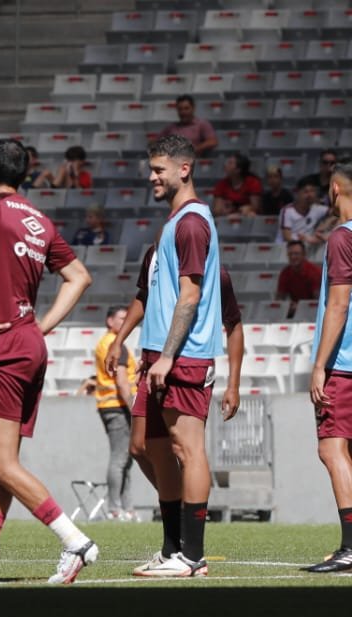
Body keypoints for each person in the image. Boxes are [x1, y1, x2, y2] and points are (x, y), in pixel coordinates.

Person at [0, 138, 96, 585]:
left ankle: (76, 542)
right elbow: (79, 276)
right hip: (30, 343)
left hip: (3, 345)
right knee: (2, 463)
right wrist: (42, 326)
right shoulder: (38, 218)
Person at [106, 251, 244, 574]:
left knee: (187, 448)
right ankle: (175, 541)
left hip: (188, 363)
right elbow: (143, 296)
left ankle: (189, 550)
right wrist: (121, 339)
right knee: (143, 447)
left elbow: (234, 325)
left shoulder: (213, 271)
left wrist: (234, 384)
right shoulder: (152, 258)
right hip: (153, 364)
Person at [125, 135, 224, 578]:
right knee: (152, 448)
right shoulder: (176, 221)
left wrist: (167, 355)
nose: (152, 177)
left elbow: (190, 296)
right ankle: (171, 550)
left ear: (184, 169)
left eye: (159, 169)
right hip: (159, 356)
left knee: (189, 448)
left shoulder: (192, 223)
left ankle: (192, 556)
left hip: (183, 356)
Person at [305, 157, 352, 573]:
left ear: (335, 190)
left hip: (345, 362)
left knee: (331, 447)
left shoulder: (341, 237)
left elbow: (338, 305)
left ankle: (351, 548)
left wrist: (320, 364)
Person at [94, 305, 139, 520]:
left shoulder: (105, 342)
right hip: (118, 406)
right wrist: (134, 410)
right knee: (120, 459)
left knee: (125, 459)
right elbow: (122, 382)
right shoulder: (115, 344)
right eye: (121, 318)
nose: (125, 322)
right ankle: (115, 509)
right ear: (110, 321)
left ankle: (126, 508)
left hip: (109, 406)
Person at [277, 176, 329, 248]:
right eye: (306, 192)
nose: (309, 195)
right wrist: (306, 240)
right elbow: (287, 237)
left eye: (312, 191)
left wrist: (325, 225)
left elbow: (337, 213)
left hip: (307, 248)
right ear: (298, 193)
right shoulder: (287, 211)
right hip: (286, 249)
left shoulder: (316, 208)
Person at [277, 239, 322, 318]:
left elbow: (317, 301)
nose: (293, 257)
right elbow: (280, 299)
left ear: (304, 254)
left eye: (296, 254)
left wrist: (300, 307)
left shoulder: (314, 272)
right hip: (294, 312)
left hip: (315, 312)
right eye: (290, 254)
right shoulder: (285, 273)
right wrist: (286, 307)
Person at [211, 152, 262, 217]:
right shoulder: (221, 184)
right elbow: (217, 210)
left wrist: (246, 209)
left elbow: (256, 207)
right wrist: (223, 210)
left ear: (238, 169)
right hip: (228, 219)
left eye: (230, 163)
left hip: (246, 218)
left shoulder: (253, 183)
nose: (225, 165)